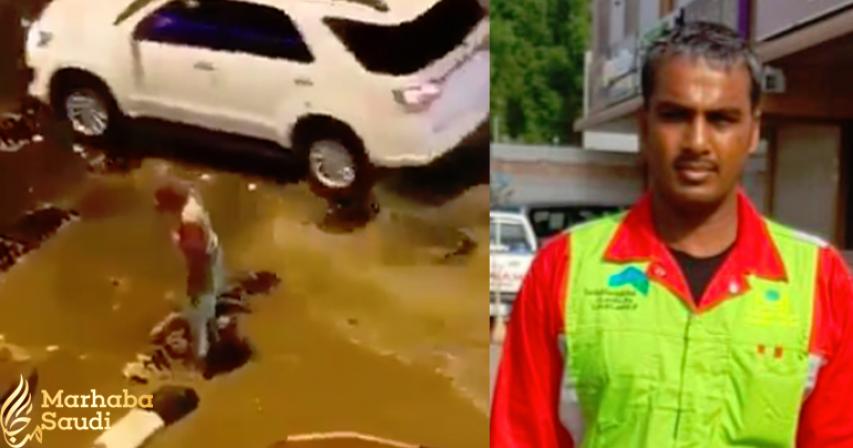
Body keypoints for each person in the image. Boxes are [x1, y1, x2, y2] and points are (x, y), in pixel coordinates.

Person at [491, 21, 853, 447]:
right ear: (644, 126)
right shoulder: (565, 269)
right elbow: (520, 436)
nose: (697, 142)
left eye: (721, 119)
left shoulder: (820, 281)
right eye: (675, 115)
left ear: (753, 131)